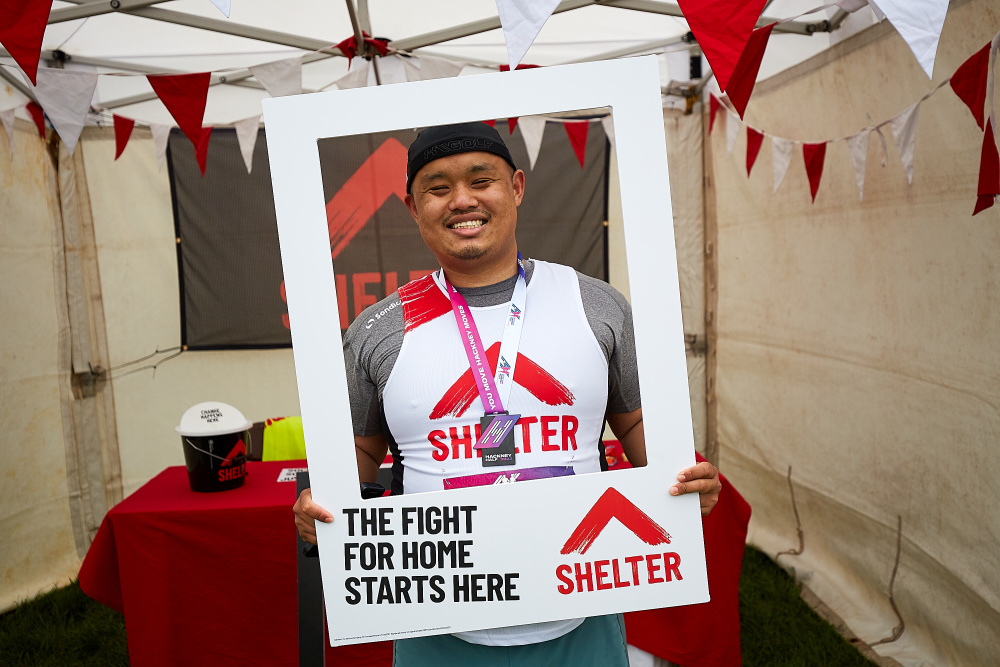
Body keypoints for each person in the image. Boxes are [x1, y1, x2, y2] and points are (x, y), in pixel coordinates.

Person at [293, 122, 722, 666]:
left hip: (580, 612)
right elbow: (359, 453)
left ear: (516, 188)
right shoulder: (380, 327)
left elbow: (635, 424)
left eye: (481, 180)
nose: (462, 200)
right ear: (412, 205)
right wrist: (322, 508)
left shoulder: (595, 305)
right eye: (437, 187)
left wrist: (682, 479)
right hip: (436, 623)